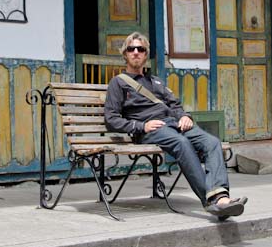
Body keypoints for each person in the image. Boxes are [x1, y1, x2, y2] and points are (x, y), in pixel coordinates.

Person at [104, 32, 247, 219]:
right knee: (182, 144)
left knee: (212, 142)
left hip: (175, 125)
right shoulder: (118, 83)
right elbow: (111, 119)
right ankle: (213, 202)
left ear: (146, 55)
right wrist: (141, 126)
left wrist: (185, 116)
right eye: (132, 49)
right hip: (152, 130)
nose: (136, 52)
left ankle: (220, 198)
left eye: (141, 49)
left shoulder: (155, 81)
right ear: (125, 54)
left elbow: (175, 105)